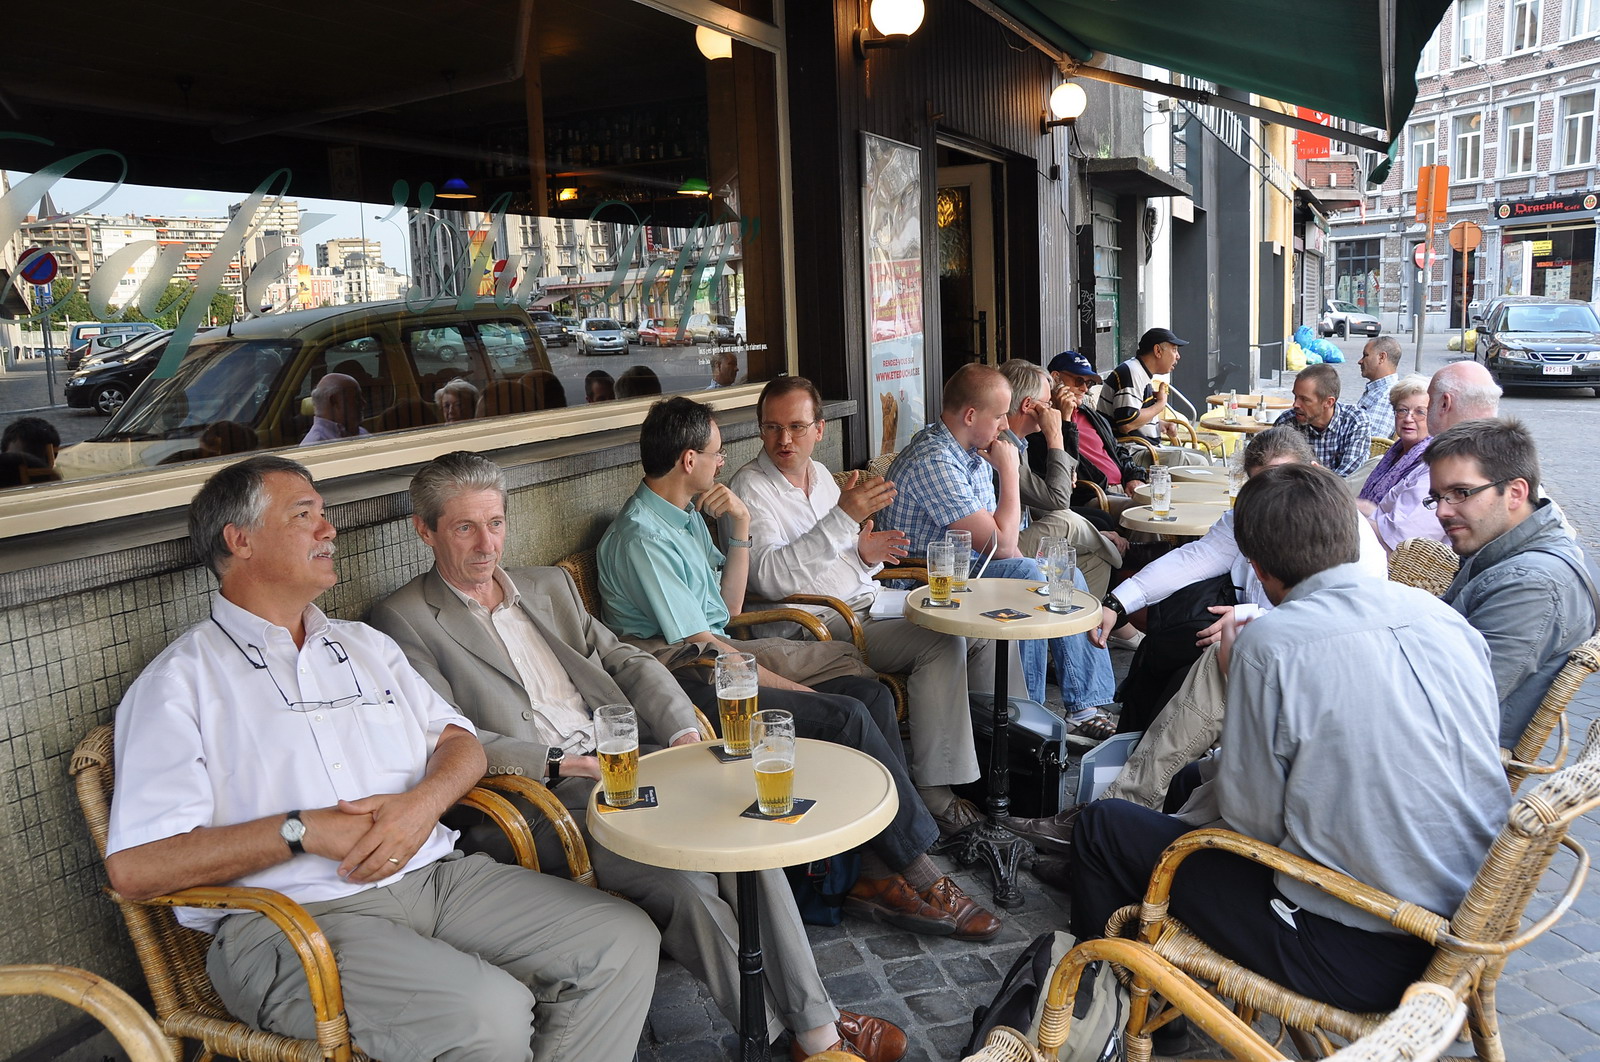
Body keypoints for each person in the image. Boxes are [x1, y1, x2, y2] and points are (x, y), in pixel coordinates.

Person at [104, 455, 658, 1062]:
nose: (329, 529)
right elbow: (135, 869)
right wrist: (301, 830)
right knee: (486, 1014)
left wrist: (423, 805)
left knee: (621, 941)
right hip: (293, 920)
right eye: (304, 515)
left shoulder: (364, 645)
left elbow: (461, 743)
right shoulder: (181, 683)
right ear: (240, 541)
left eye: (324, 514)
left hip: (438, 878)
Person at [370, 452, 906, 1062]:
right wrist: (557, 761)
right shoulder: (402, 619)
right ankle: (777, 1039)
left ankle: (816, 1027)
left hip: (632, 762)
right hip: (541, 795)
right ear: (425, 530)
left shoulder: (548, 585)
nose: (485, 543)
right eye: (464, 527)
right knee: (683, 882)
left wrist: (680, 729)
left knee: (744, 837)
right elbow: (441, 738)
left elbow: (628, 659)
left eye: (494, 523)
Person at [1070, 462, 1510, 1015]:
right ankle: (1152, 980)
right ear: (1352, 533)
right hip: (1462, 924)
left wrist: (1237, 671)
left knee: (1104, 826)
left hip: (1353, 947)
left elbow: (1251, 822)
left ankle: (1104, 1006)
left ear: (1258, 568)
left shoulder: (1271, 643)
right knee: (1185, 783)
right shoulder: (1443, 619)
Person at [598, 396, 1001, 941]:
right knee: (847, 716)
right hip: (684, 679)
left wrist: (737, 527)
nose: (724, 464)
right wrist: (784, 681)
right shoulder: (643, 535)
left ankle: (870, 872)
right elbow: (705, 649)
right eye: (717, 454)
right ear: (689, 461)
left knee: (870, 694)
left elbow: (731, 611)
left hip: (723, 652)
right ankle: (918, 873)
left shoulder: (688, 515)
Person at [1005, 429, 1389, 856]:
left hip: (1319, 695)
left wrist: (1259, 621)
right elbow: (1195, 558)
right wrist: (1118, 601)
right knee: (1164, 653)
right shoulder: (1258, 515)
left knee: (1206, 666)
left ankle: (1113, 821)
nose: (1269, 499)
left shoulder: (1350, 541)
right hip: (1273, 656)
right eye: (1259, 487)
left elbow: (1339, 622)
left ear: (1313, 474)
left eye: (1279, 482)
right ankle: (1119, 810)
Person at [730, 376, 995, 838]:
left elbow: (835, 552)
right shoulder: (751, 488)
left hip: (870, 601)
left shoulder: (821, 478)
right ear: (759, 430)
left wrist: (864, 552)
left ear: (820, 430)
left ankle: (987, 765)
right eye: (772, 427)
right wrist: (843, 520)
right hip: (820, 626)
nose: (784, 440)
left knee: (980, 627)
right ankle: (935, 792)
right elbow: (768, 579)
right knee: (941, 640)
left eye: (796, 426)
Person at [878, 364, 1117, 739]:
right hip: (926, 584)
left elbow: (1001, 537)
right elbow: (1002, 545)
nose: (1006, 423)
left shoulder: (968, 453)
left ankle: (1084, 705)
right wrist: (1008, 470)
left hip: (968, 569)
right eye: (1000, 415)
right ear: (971, 416)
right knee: (1029, 574)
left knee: (1061, 571)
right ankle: (1030, 718)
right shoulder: (935, 460)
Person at [1426, 418, 1598, 745]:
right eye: (1437, 497)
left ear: (1516, 492)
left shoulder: (1532, 584)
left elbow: (1450, 706)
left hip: (1449, 766)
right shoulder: (1505, 549)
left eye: (1460, 492)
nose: (1441, 512)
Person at [996, 359, 1128, 602]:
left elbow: (1055, 490)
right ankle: (1125, 556)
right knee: (1066, 521)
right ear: (1029, 405)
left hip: (1023, 528)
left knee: (1095, 560)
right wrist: (1055, 433)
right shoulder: (1004, 442)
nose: (1052, 410)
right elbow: (1058, 500)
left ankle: (1087, 633)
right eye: (1047, 404)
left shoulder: (1018, 440)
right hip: (997, 547)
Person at [1045, 351, 1145, 512]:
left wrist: (1133, 476)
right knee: (1145, 509)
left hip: (1122, 488)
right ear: (1056, 378)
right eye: (1079, 381)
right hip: (1094, 493)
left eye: (1089, 383)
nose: (1084, 388)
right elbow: (1067, 469)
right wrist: (1065, 421)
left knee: (1166, 497)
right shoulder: (1046, 421)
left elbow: (1117, 449)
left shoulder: (1088, 413)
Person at [1355, 376, 1438, 550]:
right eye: (1402, 410)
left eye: (1420, 412)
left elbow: (1402, 532)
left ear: (1433, 417)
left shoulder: (1430, 462)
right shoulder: (1395, 451)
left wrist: (1355, 508)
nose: (1409, 418)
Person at [1272, 363, 1369, 476]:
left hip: (1341, 491)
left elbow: (1349, 475)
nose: (1295, 404)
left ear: (1328, 402)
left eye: (1304, 399)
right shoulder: (1286, 423)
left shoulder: (1355, 421)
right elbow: (1275, 473)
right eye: (1295, 396)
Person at [1097, 328, 1185, 446]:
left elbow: (1134, 419)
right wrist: (1160, 404)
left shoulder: (1140, 372)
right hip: (1130, 452)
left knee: (1200, 458)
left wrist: (1158, 424)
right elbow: (1127, 424)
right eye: (1174, 350)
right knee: (1200, 461)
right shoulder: (1131, 372)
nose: (1178, 356)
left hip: (1146, 448)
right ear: (1158, 351)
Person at [1353, 336, 1402, 441]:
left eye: (1365, 355)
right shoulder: (1379, 390)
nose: (1360, 361)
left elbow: (1371, 443)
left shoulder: (1386, 396)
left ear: (1381, 357)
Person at [299, 373, 370, 445]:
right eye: (356, 398)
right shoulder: (316, 445)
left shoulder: (359, 431)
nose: (363, 403)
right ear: (334, 401)